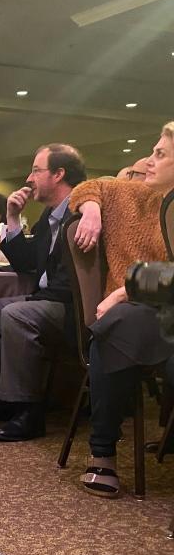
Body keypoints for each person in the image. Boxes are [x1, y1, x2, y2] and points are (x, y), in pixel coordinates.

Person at [69, 123, 174, 497]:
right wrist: (92, 210)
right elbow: (86, 187)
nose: (148, 160)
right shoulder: (132, 194)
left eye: (160, 155)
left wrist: (124, 291)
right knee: (118, 325)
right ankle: (103, 453)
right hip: (139, 315)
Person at [0, 143, 86, 441]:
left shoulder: (83, 211)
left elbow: (70, 284)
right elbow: (25, 263)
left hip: (73, 307)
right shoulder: (48, 217)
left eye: (36, 170)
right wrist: (11, 217)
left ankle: (29, 411)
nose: (29, 178)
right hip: (46, 300)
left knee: (17, 314)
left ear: (59, 174)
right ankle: (4, 397)